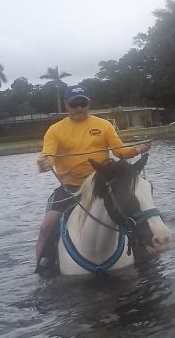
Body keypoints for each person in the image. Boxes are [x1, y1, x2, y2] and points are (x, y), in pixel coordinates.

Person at [34, 85, 150, 264]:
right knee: (46, 225)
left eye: (83, 104)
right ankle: (43, 263)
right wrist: (45, 161)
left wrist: (136, 149)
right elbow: (47, 154)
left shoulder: (103, 125)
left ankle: (144, 249)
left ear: (88, 104)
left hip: (101, 183)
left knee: (131, 210)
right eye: (75, 104)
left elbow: (119, 152)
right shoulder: (55, 130)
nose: (79, 108)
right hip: (71, 187)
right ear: (66, 105)